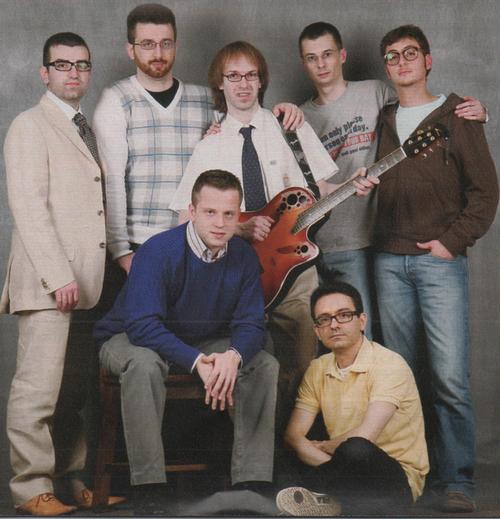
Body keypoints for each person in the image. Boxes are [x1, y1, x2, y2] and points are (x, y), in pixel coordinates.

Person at [170, 40, 376, 406]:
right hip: (233, 269)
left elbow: (321, 189)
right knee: (245, 365)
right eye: (234, 76)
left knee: (304, 361)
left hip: (293, 264)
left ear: (261, 80)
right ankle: (255, 437)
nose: (243, 84)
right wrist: (237, 228)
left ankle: (293, 434)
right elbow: (186, 218)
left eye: (251, 75)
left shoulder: (289, 125)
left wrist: (352, 184)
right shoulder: (209, 145)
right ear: (220, 83)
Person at [94, 170, 279, 512]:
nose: (220, 223)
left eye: (229, 214)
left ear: (239, 216)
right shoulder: (158, 250)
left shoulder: (243, 256)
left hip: (199, 339)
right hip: (129, 338)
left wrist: (233, 356)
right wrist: (197, 362)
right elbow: (142, 326)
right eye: (210, 212)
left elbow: (251, 323)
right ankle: (149, 488)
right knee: (144, 365)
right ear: (192, 212)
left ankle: (251, 483)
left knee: (262, 363)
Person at [374, 25, 498, 513]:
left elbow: (485, 193)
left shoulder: (458, 114)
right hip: (387, 260)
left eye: (410, 53)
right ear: (386, 67)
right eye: (392, 56)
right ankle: (411, 472)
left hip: (438, 262)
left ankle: (458, 480)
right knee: (401, 377)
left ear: (428, 60)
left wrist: (451, 243)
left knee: (449, 378)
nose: (401, 62)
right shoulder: (384, 118)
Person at [298, 22, 487, 339]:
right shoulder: (298, 118)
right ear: (303, 63)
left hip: (377, 241)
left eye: (327, 54)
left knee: (381, 344)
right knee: (342, 341)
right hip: (325, 244)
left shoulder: (376, 93)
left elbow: (422, 108)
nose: (321, 64)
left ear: (342, 55)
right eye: (311, 58)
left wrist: (480, 112)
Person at [0, 32, 123, 516]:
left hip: (87, 284)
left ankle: (71, 482)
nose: (74, 73)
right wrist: (58, 276)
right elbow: (28, 208)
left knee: (71, 391)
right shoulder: (29, 125)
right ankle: (31, 488)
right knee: (37, 391)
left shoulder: (82, 126)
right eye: (63, 65)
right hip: (50, 283)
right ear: (44, 73)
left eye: (82, 65)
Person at [93, 3, 303, 276]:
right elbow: (112, 182)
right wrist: (121, 251)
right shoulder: (117, 100)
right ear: (130, 50)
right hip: (141, 244)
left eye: (166, 43)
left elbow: (249, 122)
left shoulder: (205, 100)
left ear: (176, 46)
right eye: (147, 44)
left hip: (199, 243)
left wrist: (285, 111)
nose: (158, 53)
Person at [275, 282, 428, 516]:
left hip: (393, 480)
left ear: (362, 321)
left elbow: (365, 436)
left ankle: (321, 495)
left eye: (344, 315)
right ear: (317, 331)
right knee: (283, 451)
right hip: (340, 466)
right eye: (324, 319)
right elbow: (293, 436)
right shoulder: (318, 368)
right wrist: (329, 461)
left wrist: (323, 447)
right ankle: (331, 502)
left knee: (356, 449)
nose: (334, 324)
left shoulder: (389, 364)